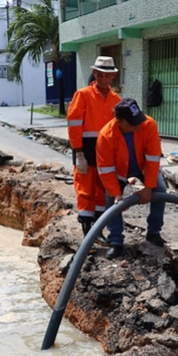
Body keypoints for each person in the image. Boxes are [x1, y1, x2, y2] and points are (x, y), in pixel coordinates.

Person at [96, 98, 167, 259]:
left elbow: (153, 158)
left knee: (160, 189)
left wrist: (148, 188)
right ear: (119, 121)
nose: (138, 125)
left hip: (143, 167)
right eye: (133, 123)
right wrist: (117, 195)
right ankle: (116, 241)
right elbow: (106, 170)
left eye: (138, 120)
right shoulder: (105, 136)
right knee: (111, 202)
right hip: (119, 172)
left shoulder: (148, 124)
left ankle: (154, 233)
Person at [66, 56, 121, 245]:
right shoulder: (83, 95)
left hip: (105, 149)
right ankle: (87, 233)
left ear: (112, 76)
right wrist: (78, 153)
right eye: (101, 75)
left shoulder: (116, 99)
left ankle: (97, 232)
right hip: (86, 148)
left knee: (101, 191)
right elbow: (74, 125)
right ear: (95, 74)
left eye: (108, 75)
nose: (104, 79)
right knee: (85, 190)